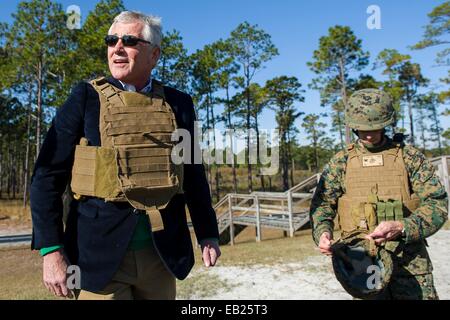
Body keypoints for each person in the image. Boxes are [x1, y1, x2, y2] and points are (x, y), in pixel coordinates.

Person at [30, 11, 220, 300]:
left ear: (154, 55)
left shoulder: (178, 103)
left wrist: (207, 232)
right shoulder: (84, 98)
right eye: (111, 40)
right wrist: (51, 250)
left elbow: (193, 174)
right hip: (96, 258)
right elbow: (46, 176)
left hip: (161, 254)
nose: (117, 47)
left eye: (129, 40)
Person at [310, 88, 448, 300]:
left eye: (375, 128)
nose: (368, 134)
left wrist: (403, 226)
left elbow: (437, 204)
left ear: (387, 123)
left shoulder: (409, 157)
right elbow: (323, 206)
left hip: (410, 264)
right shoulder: (341, 162)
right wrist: (322, 233)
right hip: (362, 261)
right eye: (361, 129)